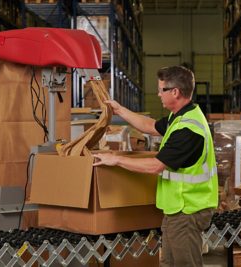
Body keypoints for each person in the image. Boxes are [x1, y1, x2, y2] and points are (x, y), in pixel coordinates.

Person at [93, 65, 218, 267]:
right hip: (176, 209)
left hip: (187, 211)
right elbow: (150, 126)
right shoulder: (181, 116)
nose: (158, 94)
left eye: (162, 90)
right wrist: (120, 110)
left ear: (175, 92)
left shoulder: (188, 130)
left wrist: (116, 159)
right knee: (168, 263)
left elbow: (155, 166)